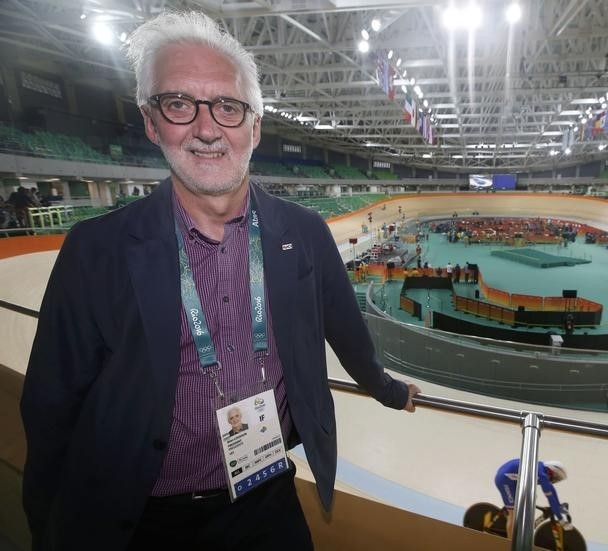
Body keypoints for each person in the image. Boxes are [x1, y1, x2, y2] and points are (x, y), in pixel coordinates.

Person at [20, 11, 420, 551]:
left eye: (227, 106)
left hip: (264, 496)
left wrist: (389, 390)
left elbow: (347, 332)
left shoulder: (303, 233)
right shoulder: (95, 251)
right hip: (139, 515)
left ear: (254, 127)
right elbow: (51, 408)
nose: (206, 129)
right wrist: (50, 528)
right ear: (152, 122)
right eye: (180, 103)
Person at [494, 459, 570, 537]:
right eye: (556, 478)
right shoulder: (542, 476)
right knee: (513, 514)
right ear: (551, 472)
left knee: (532, 497)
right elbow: (551, 499)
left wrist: (559, 507)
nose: (555, 480)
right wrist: (561, 519)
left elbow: (552, 490)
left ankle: (519, 523)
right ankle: (510, 542)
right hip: (504, 480)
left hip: (512, 479)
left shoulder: (542, 469)